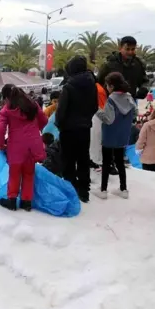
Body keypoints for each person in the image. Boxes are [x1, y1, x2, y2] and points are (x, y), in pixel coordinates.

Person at [0, 86, 48, 211]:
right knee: (29, 173)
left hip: (16, 146)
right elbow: (44, 120)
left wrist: (1, 144)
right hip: (32, 146)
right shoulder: (33, 105)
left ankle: (12, 200)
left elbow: (0, 129)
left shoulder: (7, 109)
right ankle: (26, 202)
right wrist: (36, 129)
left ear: (7, 97)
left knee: (14, 173)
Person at [55, 56, 98, 203]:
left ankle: (71, 188)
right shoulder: (92, 84)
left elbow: (61, 111)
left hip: (68, 130)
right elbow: (95, 106)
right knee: (83, 158)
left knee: (68, 160)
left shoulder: (68, 86)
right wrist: (86, 120)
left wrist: (59, 124)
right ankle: (84, 191)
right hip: (85, 128)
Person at [93, 72, 137, 199]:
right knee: (120, 161)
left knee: (106, 162)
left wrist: (97, 110)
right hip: (123, 134)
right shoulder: (128, 97)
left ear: (111, 86)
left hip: (110, 134)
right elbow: (134, 114)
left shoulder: (111, 99)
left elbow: (108, 119)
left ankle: (103, 190)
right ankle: (123, 189)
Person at [97, 35, 149, 100]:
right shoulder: (109, 64)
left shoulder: (138, 64)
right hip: (111, 103)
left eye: (132, 49)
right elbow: (98, 82)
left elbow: (145, 81)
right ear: (120, 48)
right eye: (127, 49)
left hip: (130, 102)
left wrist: (144, 88)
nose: (130, 52)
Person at [136, 107, 155, 172]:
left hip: (147, 157)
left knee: (147, 179)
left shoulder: (147, 125)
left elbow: (141, 139)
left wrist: (138, 150)